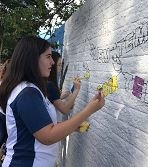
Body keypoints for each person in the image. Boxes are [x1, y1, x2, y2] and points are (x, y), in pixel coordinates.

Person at [0, 36, 105, 167]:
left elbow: (38, 125)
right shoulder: (26, 93)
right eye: (48, 57)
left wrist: (71, 126)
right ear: (32, 59)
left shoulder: (31, 89)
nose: (53, 63)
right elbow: (48, 136)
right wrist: (89, 110)